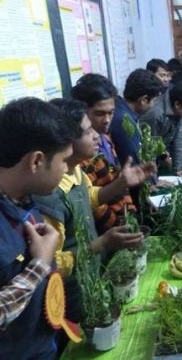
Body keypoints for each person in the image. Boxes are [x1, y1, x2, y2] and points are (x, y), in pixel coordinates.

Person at [34, 99, 155, 326]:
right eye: (87, 131)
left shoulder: (76, 170)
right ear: (66, 141)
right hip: (70, 293)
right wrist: (100, 244)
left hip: (91, 275)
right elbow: (51, 263)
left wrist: (120, 184)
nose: (96, 136)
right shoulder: (49, 196)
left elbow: (89, 197)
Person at [0, 98, 75, 358]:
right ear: (36, 161)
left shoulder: (24, 198)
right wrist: (40, 265)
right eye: (64, 161)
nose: (67, 170)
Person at [71, 73, 136, 234]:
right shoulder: (80, 155)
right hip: (107, 233)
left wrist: (131, 212)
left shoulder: (105, 137)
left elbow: (120, 180)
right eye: (100, 114)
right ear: (82, 111)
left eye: (111, 112)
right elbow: (93, 205)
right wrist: (119, 227)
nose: (107, 120)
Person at [140, 81, 182, 174]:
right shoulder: (155, 114)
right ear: (177, 105)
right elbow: (148, 150)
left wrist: (178, 170)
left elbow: (178, 141)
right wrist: (152, 181)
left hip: (159, 156)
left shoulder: (179, 111)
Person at [109, 68, 164, 166]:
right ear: (144, 100)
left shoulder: (118, 106)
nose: (154, 104)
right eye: (154, 100)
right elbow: (135, 160)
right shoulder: (125, 121)